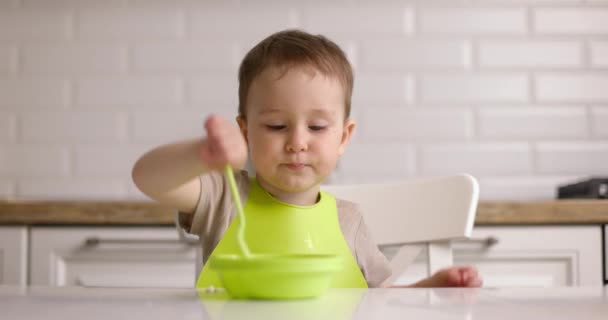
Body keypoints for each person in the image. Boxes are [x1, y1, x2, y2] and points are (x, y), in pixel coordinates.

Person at [132, 29, 482, 289]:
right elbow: (148, 178)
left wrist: (432, 288)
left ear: (343, 137)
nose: (297, 142)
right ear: (246, 132)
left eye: (316, 126)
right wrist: (201, 154)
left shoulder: (350, 221)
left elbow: (382, 301)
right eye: (276, 125)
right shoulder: (225, 198)